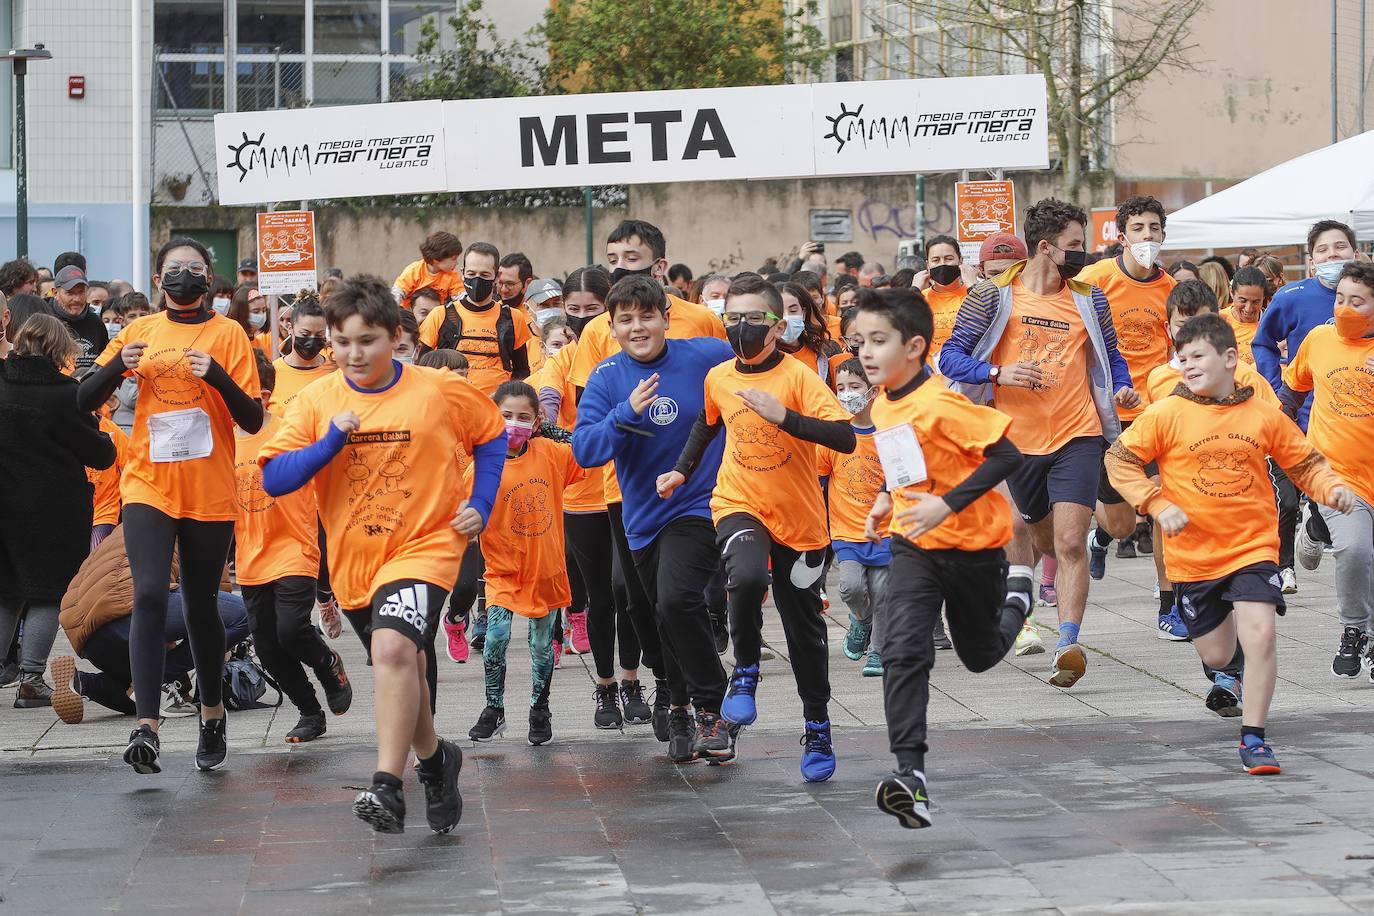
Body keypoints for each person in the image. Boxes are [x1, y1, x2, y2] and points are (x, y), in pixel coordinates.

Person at [258, 274, 506, 835]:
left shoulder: (437, 388)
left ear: (395, 337)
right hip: (354, 560)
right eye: (341, 342)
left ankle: (387, 786)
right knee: (406, 664)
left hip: (426, 545)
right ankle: (438, 762)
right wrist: (329, 444)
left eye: (366, 340)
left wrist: (482, 503)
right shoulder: (317, 399)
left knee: (394, 649)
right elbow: (275, 477)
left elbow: (491, 435)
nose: (352, 353)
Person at [1106, 312, 1354, 775]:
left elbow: (1303, 463)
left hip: (1252, 547)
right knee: (1218, 654)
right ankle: (1229, 664)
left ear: (1230, 358)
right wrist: (1155, 503)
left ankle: (1255, 739)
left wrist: (1330, 488)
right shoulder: (1164, 414)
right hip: (1194, 557)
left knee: (1261, 635)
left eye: (1198, 356)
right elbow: (1119, 460)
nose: (1188, 365)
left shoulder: (1262, 414)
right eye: (1181, 358)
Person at [79, 237, 263, 775]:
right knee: (150, 595)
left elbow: (252, 419)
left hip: (207, 491)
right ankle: (147, 726)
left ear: (210, 280)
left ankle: (211, 714)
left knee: (203, 607)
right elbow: (82, 400)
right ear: (159, 279)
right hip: (148, 486)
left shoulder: (228, 334)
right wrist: (116, 369)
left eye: (196, 268)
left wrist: (219, 376)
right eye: (175, 268)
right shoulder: (139, 332)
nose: (185, 275)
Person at [662, 274, 856, 782]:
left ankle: (817, 725)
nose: (741, 327)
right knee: (745, 578)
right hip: (737, 501)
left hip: (801, 521)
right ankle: (744, 670)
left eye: (753, 318)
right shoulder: (720, 376)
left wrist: (786, 416)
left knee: (804, 631)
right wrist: (682, 470)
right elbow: (707, 423)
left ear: (778, 325)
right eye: (733, 317)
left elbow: (844, 438)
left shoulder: (798, 378)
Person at [938, 198, 1136, 690]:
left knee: (1071, 542)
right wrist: (998, 372)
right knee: (1042, 537)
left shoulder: (1090, 298)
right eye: (1073, 246)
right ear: (1044, 247)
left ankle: (1069, 643)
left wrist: (1124, 386)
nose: (1082, 254)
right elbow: (951, 358)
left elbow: (1111, 357)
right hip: (1014, 441)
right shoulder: (992, 295)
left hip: (1078, 432)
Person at [851, 287, 1027, 828]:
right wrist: (887, 496)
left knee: (977, 655)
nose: (865, 353)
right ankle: (912, 777)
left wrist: (946, 503)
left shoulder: (943, 403)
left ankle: (1018, 596)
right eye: (861, 341)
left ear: (916, 346)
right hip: (914, 544)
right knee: (904, 651)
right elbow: (900, 452)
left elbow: (1006, 455)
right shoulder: (884, 401)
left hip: (973, 549)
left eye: (879, 341)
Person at [566, 222, 728, 737]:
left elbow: (752, 373)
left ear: (666, 319)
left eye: (648, 317)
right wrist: (623, 415)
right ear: (610, 327)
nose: (638, 328)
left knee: (679, 599)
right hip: (638, 513)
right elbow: (585, 450)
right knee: (655, 610)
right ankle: (676, 700)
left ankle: (711, 704)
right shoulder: (608, 377)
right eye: (626, 320)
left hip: (697, 502)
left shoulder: (704, 352)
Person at [535, 267, 652, 731]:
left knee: (630, 592)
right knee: (599, 597)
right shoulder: (563, 359)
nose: (582, 318)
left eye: (592, 309)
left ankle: (631, 680)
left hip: (625, 491)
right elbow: (546, 400)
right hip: (581, 494)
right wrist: (556, 425)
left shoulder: (633, 352)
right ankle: (604, 687)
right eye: (573, 309)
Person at [1140, 280, 1282, 650]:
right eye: (1182, 325)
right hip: (1184, 495)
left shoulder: (1245, 376)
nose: (1192, 336)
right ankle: (1172, 602)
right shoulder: (1158, 379)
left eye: (1202, 325)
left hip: (1240, 508)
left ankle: (1235, 671)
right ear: (1168, 327)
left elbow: (1277, 427)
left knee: (1246, 611)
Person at [234, 351, 352, 744]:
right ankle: (309, 711)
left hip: (294, 546)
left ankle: (327, 663)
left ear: (263, 395)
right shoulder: (219, 440)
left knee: (290, 630)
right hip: (251, 556)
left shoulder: (290, 432)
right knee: (266, 646)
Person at [0, 314, 117, 708]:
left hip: (4, 505)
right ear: (57, 349)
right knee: (49, 594)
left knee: (6, 593)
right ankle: (32, 677)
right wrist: (100, 427)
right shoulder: (65, 395)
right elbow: (101, 455)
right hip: (53, 510)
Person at [465, 381, 585, 746]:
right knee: (496, 638)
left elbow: (585, 452)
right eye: (505, 416)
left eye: (523, 418)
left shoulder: (550, 453)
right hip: (502, 572)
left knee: (541, 645)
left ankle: (539, 708)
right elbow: (466, 512)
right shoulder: (480, 466)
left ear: (535, 423)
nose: (513, 424)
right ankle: (493, 707)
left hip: (545, 571)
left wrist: (553, 430)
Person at [1279, 262, 1374, 679]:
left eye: (1358, 301)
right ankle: (1354, 630)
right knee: (1356, 551)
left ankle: (1315, 526)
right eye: (1340, 299)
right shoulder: (1319, 339)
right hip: (1334, 473)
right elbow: (1293, 391)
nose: (1345, 308)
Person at [52, 524, 250, 723]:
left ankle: (82, 684)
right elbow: (214, 605)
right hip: (130, 605)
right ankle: (158, 678)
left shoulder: (133, 519)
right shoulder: (205, 523)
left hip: (88, 634)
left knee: (147, 701)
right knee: (243, 615)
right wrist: (222, 647)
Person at [1076, 196, 1175, 568]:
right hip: (1105, 411)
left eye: (1153, 228)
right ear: (1122, 236)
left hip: (1155, 409)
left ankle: (1170, 598)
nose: (1146, 235)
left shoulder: (1171, 288)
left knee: (1165, 500)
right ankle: (1101, 536)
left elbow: (1176, 349)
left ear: (1164, 234)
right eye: (1138, 229)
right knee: (1120, 525)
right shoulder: (1094, 279)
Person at [820, 358, 893, 678]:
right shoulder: (835, 435)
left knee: (883, 591)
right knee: (850, 588)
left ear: (873, 391)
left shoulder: (888, 433)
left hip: (886, 531)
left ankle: (878, 652)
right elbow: (819, 480)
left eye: (854, 387)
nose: (846, 394)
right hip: (846, 531)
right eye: (841, 388)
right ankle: (861, 621)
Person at [416, 242, 531, 393]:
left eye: (484, 275)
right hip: (451, 401)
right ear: (462, 273)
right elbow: (420, 368)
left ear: (496, 277)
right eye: (471, 274)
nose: (477, 280)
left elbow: (521, 370)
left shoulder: (513, 317)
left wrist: (506, 397)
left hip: (495, 407)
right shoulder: (440, 315)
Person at [268, 293, 334, 414]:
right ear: (290, 328)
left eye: (319, 335)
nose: (312, 340)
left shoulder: (335, 369)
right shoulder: (272, 372)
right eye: (305, 334)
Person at [919, 235, 976, 363]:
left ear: (960, 261)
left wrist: (973, 286)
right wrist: (913, 292)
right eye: (936, 260)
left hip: (966, 372)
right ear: (928, 264)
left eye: (949, 258)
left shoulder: (972, 295)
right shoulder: (920, 298)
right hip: (929, 377)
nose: (942, 264)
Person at [777, 280, 842, 384]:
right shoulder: (762, 357)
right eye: (779, 312)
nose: (786, 318)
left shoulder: (825, 351)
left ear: (803, 312)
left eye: (793, 311)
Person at [51, 265, 109, 371]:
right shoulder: (46, 320)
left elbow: (104, 364)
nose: (77, 299)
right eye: (70, 293)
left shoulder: (96, 323)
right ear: (55, 293)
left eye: (81, 292)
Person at [392, 230, 465, 311]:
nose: (457, 262)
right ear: (437, 259)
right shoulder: (414, 271)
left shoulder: (452, 276)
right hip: (410, 316)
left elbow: (460, 297)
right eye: (454, 259)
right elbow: (398, 292)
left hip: (437, 317)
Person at [1222, 266, 1268, 368]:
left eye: (1256, 302)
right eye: (1242, 300)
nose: (1248, 308)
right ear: (1231, 293)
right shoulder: (1218, 321)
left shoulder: (1271, 325)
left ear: (1263, 297)